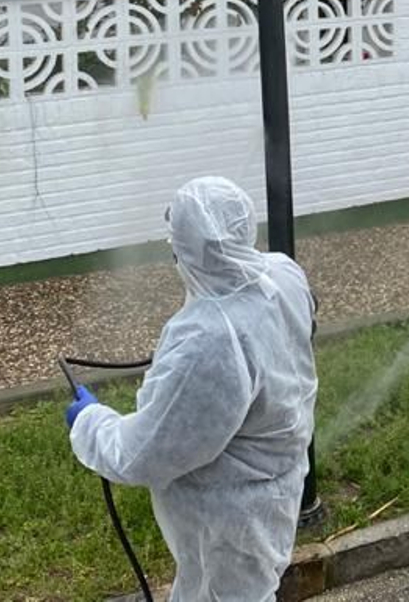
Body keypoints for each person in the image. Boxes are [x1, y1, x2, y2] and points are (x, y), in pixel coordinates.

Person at [66, 176, 318, 602]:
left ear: (183, 250)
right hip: (274, 493)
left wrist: (90, 422)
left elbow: (145, 453)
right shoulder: (283, 275)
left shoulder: (210, 340)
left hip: (228, 523)